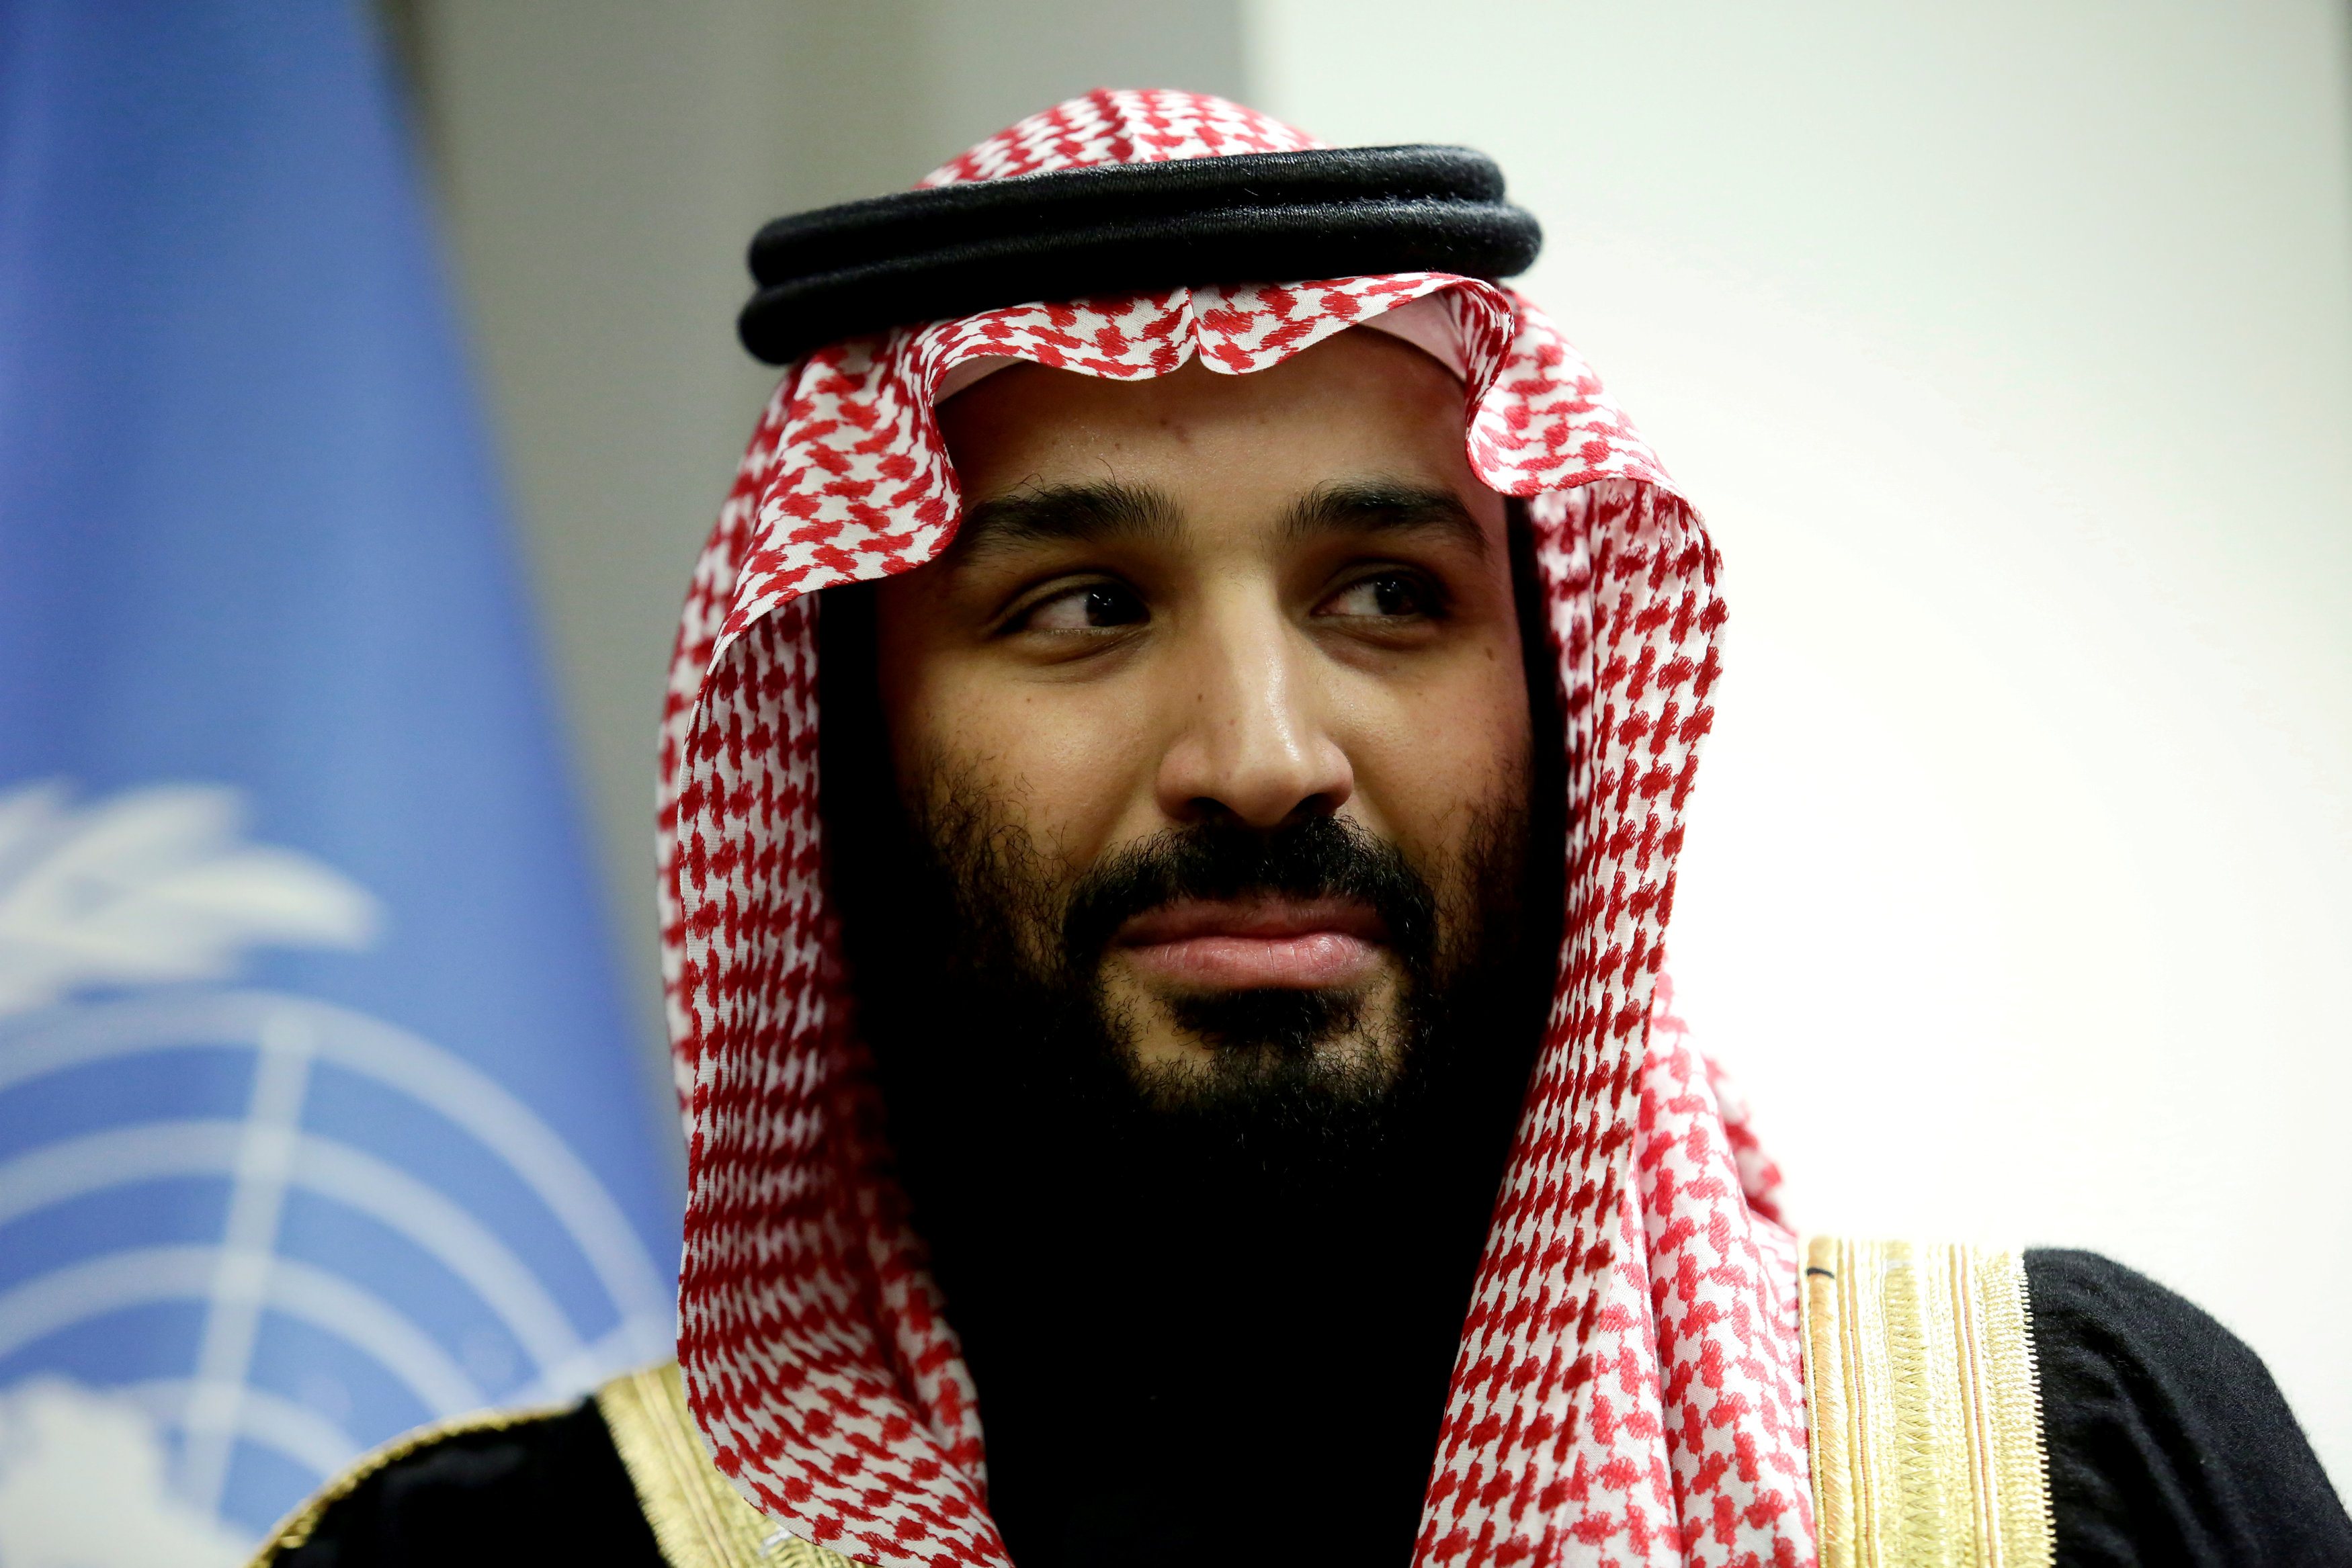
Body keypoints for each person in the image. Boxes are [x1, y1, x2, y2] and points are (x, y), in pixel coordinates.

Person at [255, 91, 2349, 1568]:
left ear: (1554, 704)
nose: (1261, 754)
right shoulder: (496, 1557)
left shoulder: (2048, 1478)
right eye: (1081, 608)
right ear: (839, 748)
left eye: (1387, 599)